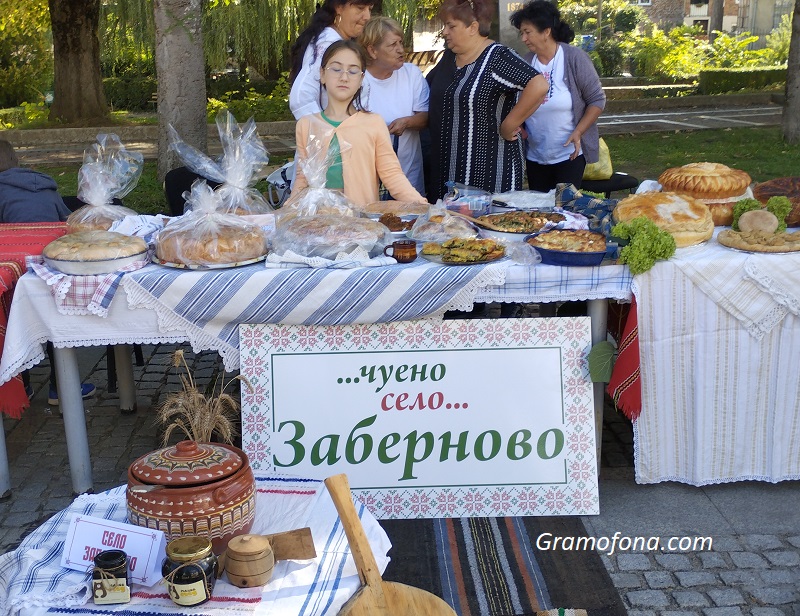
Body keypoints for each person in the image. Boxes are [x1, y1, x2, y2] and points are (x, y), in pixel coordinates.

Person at [0, 140, 96, 404]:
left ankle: (22, 385)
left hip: (13, 271)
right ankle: (61, 387)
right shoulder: (45, 185)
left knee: (10, 322)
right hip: (50, 269)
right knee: (53, 324)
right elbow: (66, 222)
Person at [425, 0, 548, 203]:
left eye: (451, 26)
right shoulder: (449, 58)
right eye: (445, 25)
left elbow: (539, 85)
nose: (445, 32)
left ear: (473, 27)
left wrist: (510, 124)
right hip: (449, 175)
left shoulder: (497, 57)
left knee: (488, 231)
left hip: (489, 174)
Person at [289, 40, 426, 206]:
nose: (344, 77)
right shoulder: (306, 125)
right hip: (318, 221)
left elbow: (392, 175)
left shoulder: (373, 123)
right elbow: (302, 179)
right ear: (322, 74)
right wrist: (285, 211)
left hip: (362, 222)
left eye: (353, 71)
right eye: (336, 69)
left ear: (362, 79)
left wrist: (423, 205)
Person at [511, 0, 605, 192]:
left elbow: (597, 100)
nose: (524, 38)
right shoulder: (526, 63)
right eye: (522, 33)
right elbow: (518, 103)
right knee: (540, 215)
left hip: (569, 155)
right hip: (536, 156)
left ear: (546, 31)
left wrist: (579, 131)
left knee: (566, 213)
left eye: (528, 32)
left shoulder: (573, 58)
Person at [358, 16, 429, 197]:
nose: (400, 50)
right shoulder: (357, 80)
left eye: (401, 42)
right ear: (372, 50)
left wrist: (406, 122)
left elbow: (426, 116)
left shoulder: (411, 73)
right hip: (368, 177)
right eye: (392, 45)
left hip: (407, 175)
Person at [289, 0, 374, 120]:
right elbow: (301, 97)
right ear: (339, 7)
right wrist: (324, 130)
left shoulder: (334, 41)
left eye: (369, 9)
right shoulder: (329, 44)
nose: (367, 17)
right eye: (360, 8)